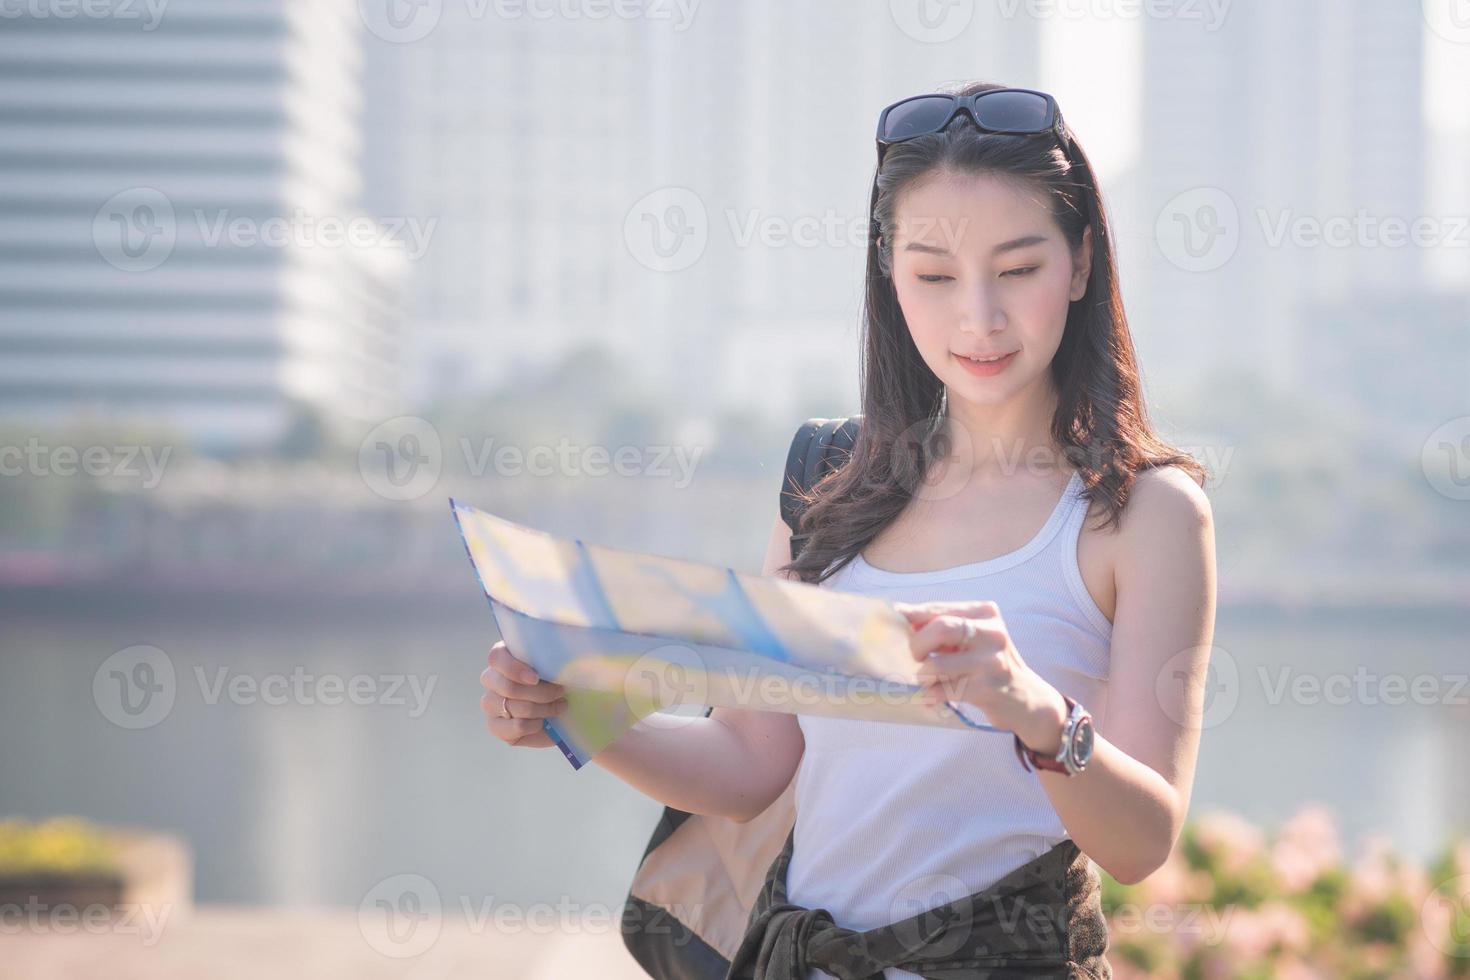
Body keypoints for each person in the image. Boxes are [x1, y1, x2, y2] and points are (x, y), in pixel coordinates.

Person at [481, 80, 1217, 979]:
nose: (977, 317)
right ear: (888, 270)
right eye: (934, 275)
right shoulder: (826, 478)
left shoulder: (1143, 512)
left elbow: (1143, 841)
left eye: (1018, 269)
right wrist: (578, 713)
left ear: (1082, 263)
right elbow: (752, 761)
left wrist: (1034, 712)